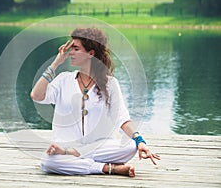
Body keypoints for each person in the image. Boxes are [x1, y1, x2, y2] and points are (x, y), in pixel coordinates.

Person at [30, 28, 160, 177]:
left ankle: (77, 158)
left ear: (91, 54)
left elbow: (122, 119)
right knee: (48, 161)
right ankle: (107, 168)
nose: (70, 52)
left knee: (130, 146)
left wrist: (140, 141)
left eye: (76, 48)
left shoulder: (110, 83)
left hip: (98, 146)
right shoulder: (63, 80)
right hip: (66, 146)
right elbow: (36, 95)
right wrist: (56, 63)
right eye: (71, 48)